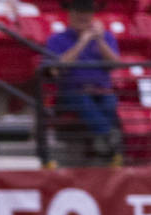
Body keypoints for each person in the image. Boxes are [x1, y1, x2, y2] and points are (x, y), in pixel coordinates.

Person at [44, 0, 120, 157]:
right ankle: (107, 136)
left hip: (101, 90)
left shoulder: (106, 37)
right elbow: (56, 69)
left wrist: (99, 40)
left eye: (86, 13)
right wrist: (82, 41)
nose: (83, 16)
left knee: (110, 100)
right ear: (70, 14)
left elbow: (116, 64)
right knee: (82, 99)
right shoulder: (56, 39)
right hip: (71, 92)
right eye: (78, 12)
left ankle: (103, 140)